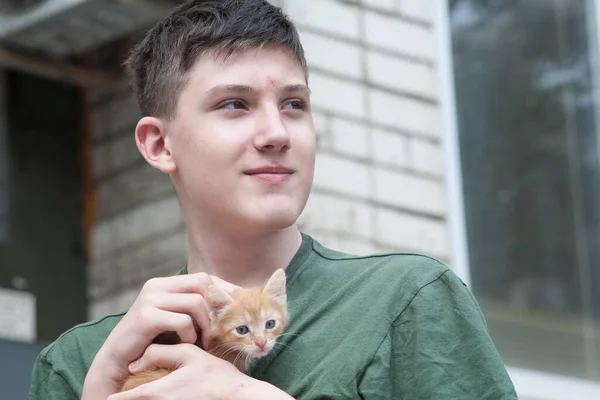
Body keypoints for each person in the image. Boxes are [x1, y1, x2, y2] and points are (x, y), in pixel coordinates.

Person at [28, 0, 519, 399]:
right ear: (160, 145)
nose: (277, 133)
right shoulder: (80, 363)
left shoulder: (406, 300)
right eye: (234, 104)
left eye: (294, 104)